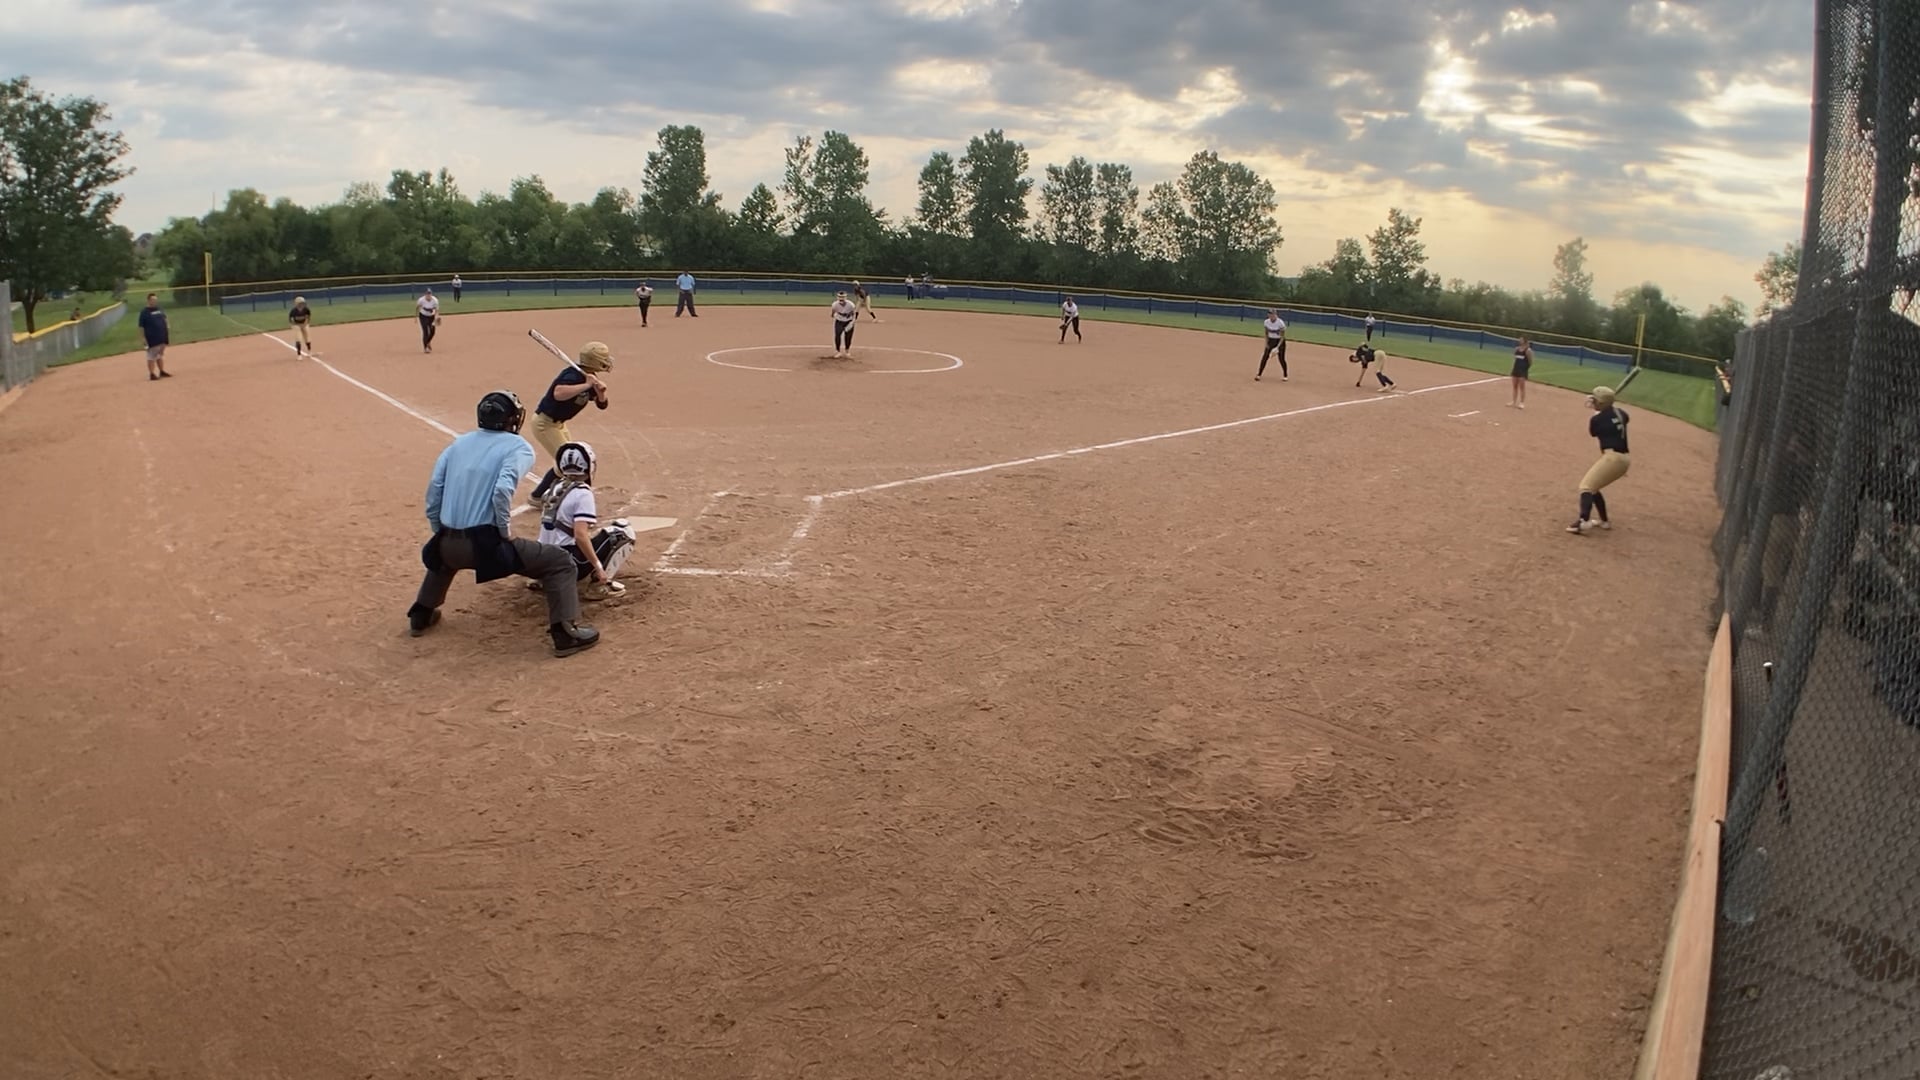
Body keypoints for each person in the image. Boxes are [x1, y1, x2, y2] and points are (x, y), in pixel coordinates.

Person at [406, 390, 600, 657]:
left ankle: (421, 614)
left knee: (445, 559)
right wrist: (504, 531)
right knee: (560, 562)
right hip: (485, 547)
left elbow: (434, 490)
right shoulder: (518, 447)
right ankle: (566, 633)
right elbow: (501, 490)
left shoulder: (458, 444)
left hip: (446, 544)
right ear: (511, 419)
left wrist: (440, 534)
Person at [532, 442, 639, 602]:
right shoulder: (582, 493)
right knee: (622, 532)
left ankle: (543, 580)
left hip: (541, 561)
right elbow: (580, 535)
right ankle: (599, 587)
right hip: (566, 563)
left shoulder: (553, 487)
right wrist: (598, 567)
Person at [528, 341, 614, 503]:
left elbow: (602, 405)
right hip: (545, 424)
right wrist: (586, 385)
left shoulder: (590, 377)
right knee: (567, 462)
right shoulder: (572, 375)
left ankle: (558, 492)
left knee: (567, 460)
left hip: (559, 425)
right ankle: (537, 496)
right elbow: (558, 393)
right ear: (595, 361)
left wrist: (601, 392)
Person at [1568, 385, 1630, 534]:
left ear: (1601, 403)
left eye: (1595, 400)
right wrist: (1606, 412)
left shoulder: (1596, 419)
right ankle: (1604, 521)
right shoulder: (1621, 413)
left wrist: (1599, 414)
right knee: (1594, 487)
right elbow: (1624, 418)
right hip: (1624, 459)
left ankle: (1583, 522)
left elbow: (1593, 432)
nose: (1592, 401)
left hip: (1612, 458)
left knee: (1586, 487)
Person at [137, 293, 171, 381]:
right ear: (148, 300)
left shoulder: (159, 309)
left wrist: (167, 325)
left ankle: (161, 371)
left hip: (162, 336)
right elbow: (141, 326)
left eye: (156, 300)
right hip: (151, 337)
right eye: (153, 300)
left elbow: (165, 317)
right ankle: (152, 374)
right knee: (151, 356)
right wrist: (143, 338)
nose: (155, 301)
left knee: (159, 355)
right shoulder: (144, 312)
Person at [1256, 309, 1288, 381]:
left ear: (1276, 315)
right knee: (1265, 357)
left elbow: (1282, 336)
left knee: (1281, 359)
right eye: (1270, 314)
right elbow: (1266, 333)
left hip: (1280, 341)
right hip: (1270, 341)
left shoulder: (1280, 323)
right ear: (1268, 315)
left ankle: (1285, 375)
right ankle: (1259, 374)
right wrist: (1266, 343)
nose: (1272, 315)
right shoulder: (1266, 322)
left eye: (1273, 314)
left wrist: (1277, 347)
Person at [831, 291, 859, 357]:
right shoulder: (835, 304)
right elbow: (833, 311)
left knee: (848, 337)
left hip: (848, 321)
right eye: (840, 297)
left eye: (843, 297)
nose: (841, 298)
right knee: (837, 335)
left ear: (846, 297)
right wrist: (833, 315)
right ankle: (838, 351)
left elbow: (854, 314)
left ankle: (847, 351)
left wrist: (852, 323)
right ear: (837, 297)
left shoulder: (851, 305)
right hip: (839, 321)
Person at [1509, 337, 1533, 409]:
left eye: (1521, 340)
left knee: (1522, 387)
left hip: (1522, 370)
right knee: (1515, 386)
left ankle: (1522, 403)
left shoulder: (1528, 350)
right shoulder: (1516, 349)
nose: (1519, 340)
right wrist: (1512, 368)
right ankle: (1513, 401)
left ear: (1524, 341)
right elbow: (1514, 359)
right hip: (1515, 369)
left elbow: (1530, 361)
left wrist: (1525, 369)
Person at [416, 287, 441, 353]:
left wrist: (437, 317)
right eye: (427, 294)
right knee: (425, 331)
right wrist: (415, 317)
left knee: (433, 331)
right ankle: (425, 348)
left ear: (431, 294)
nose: (428, 295)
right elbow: (417, 307)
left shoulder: (435, 300)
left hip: (431, 317)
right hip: (423, 316)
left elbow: (437, 310)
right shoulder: (421, 300)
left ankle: (428, 342)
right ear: (425, 294)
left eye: (429, 294)